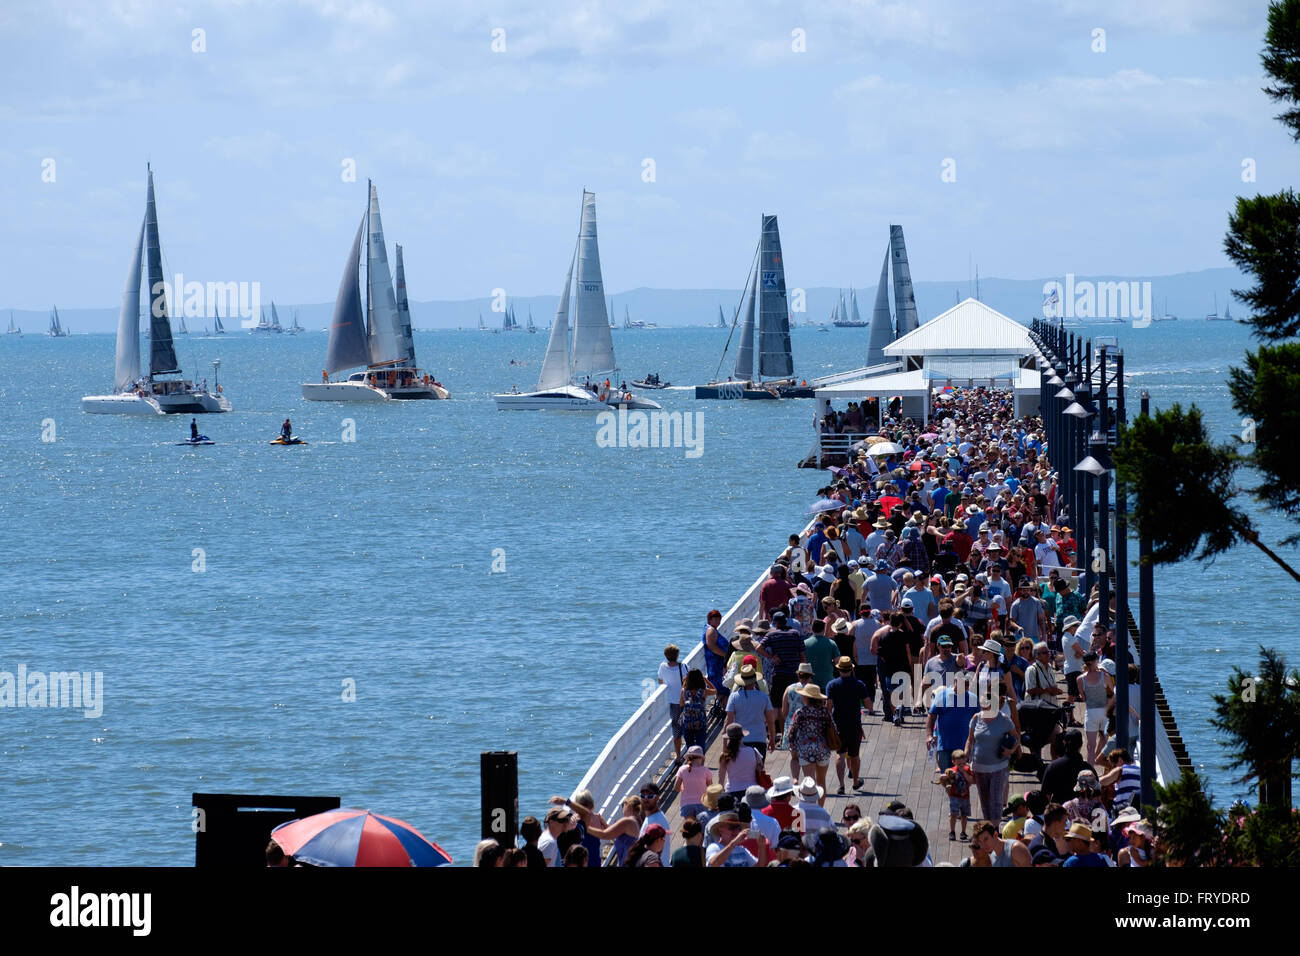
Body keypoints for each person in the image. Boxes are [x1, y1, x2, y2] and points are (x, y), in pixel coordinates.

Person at [826, 657, 869, 794]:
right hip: (855, 724)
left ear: (839, 669)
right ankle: (855, 782)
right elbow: (869, 705)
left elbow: (828, 707)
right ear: (851, 669)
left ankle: (841, 785)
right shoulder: (859, 684)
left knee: (840, 754)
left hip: (838, 724)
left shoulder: (832, 685)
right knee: (855, 755)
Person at [657, 644, 687, 760]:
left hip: (674, 703)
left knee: (676, 730)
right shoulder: (683, 666)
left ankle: (678, 757)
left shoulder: (663, 667)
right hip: (685, 700)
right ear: (677, 655)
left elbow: (660, 681)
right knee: (688, 726)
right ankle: (691, 754)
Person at [678, 668, 715, 751]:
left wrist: (684, 683)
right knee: (700, 747)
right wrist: (706, 680)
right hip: (700, 723)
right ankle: (700, 762)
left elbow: (681, 704)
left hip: (687, 724)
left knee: (689, 748)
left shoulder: (684, 691)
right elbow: (715, 691)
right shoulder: (704, 691)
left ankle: (690, 762)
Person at [675, 746, 713, 819]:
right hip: (702, 804)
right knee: (701, 827)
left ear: (689, 758)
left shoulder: (682, 769)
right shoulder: (706, 771)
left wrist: (684, 790)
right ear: (701, 758)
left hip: (686, 804)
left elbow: (676, 787)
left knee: (689, 827)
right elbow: (710, 788)